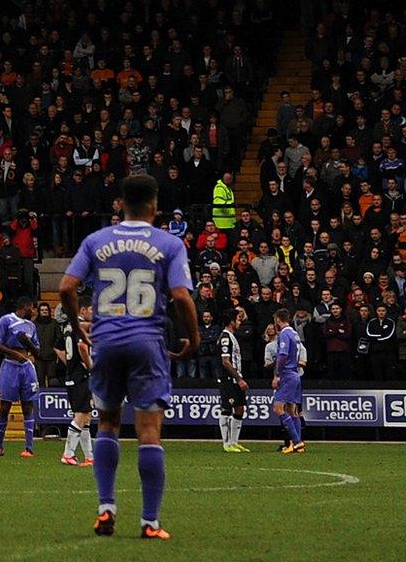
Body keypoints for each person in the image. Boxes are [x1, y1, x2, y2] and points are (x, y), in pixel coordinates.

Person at [57, 171, 199, 540]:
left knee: (106, 424)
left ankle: (106, 508)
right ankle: (150, 522)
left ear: (119, 204)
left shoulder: (96, 240)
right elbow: (182, 296)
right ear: (154, 206)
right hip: (147, 342)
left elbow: (67, 287)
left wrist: (76, 326)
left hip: (105, 341)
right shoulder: (169, 243)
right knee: (149, 432)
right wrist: (193, 339)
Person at [0, 297, 39, 458]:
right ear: (25, 307)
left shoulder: (31, 326)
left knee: (28, 406)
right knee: (5, 407)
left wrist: (27, 343)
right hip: (10, 365)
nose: (34, 311)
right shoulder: (7, 320)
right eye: (32, 308)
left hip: (27, 367)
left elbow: (38, 351)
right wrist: (14, 353)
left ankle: (29, 447)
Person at [58, 305, 94, 467]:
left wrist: (70, 364)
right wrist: (90, 366)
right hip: (80, 376)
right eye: (91, 309)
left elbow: (58, 347)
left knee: (86, 417)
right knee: (82, 414)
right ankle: (68, 454)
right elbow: (82, 346)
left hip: (71, 375)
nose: (93, 312)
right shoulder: (78, 328)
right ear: (83, 310)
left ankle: (89, 456)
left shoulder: (68, 326)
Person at [269, 309, 307, 454]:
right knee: (292, 410)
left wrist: (277, 375)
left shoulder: (284, 334)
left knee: (278, 408)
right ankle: (298, 444)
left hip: (286, 375)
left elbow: (283, 356)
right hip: (295, 375)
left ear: (278, 319)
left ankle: (296, 442)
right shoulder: (295, 334)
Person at [215, 313, 250, 453]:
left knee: (240, 408)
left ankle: (234, 442)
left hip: (235, 377)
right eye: (237, 320)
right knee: (227, 408)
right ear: (231, 322)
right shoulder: (225, 338)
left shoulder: (232, 336)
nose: (239, 322)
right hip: (228, 378)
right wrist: (238, 379)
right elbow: (226, 361)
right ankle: (227, 443)